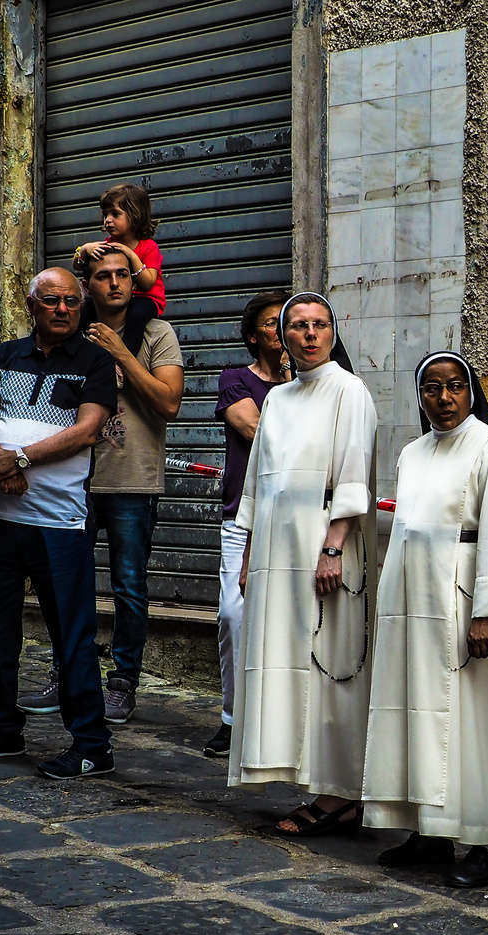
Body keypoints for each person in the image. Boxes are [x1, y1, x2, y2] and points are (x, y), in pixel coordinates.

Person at [362, 351, 488, 888]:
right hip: (413, 600)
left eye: (455, 387)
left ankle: (484, 839)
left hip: (463, 601)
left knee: (475, 724)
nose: (443, 399)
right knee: (416, 712)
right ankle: (428, 829)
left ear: (471, 390)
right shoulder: (413, 452)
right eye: (432, 388)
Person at [0, 267, 117, 779]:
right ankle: (1, 730)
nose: (63, 309)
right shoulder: (5, 355)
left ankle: (92, 744)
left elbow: (89, 430)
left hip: (59, 524)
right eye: (52, 301)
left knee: (72, 635)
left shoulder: (94, 360)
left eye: (72, 301)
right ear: (32, 304)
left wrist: (17, 459)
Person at [228, 292, 379, 836]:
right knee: (289, 663)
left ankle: (339, 792)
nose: (309, 334)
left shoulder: (350, 391)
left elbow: (353, 473)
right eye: (298, 326)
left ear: (332, 333)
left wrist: (335, 546)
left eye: (319, 325)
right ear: (282, 337)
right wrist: (248, 551)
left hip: (324, 548)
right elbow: (257, 481)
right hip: (275, 550)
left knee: (328, 664)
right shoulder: (279, 400)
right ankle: (312, 777)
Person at [16, 246, 184, 724]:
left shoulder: (157, 334)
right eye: (102, 275)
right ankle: (67, 674)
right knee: (68, 584)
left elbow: (168, 404)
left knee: (129, 587)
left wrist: (119, 353)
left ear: (135, 282)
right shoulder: (70, 331)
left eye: (123, 275)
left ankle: (123, 683)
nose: (114, 283)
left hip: (131, 479)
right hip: (73, 480)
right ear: (86, 284)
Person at [204, 289, 291, 758]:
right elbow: (256, 430)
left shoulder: (315, 384)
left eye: (288, 322)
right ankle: (233, 718)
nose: (283, 331)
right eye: (272, 324)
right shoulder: (236, 379)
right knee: (235, 616)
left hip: (299, 518)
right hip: (244, 513)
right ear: (253, 336)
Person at [72, 183, 164, 356]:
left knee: (136, 316)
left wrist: (131, 255)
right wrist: (83, 250)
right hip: (116, 300)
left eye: (115, 214)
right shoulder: (107, 244)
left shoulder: (149, 247)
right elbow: (79, 266)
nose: (108, 219)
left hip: (145, 299)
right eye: (105, 214)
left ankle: (124, 359)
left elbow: (148, 283)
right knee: (81, 310)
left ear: (135, 216)